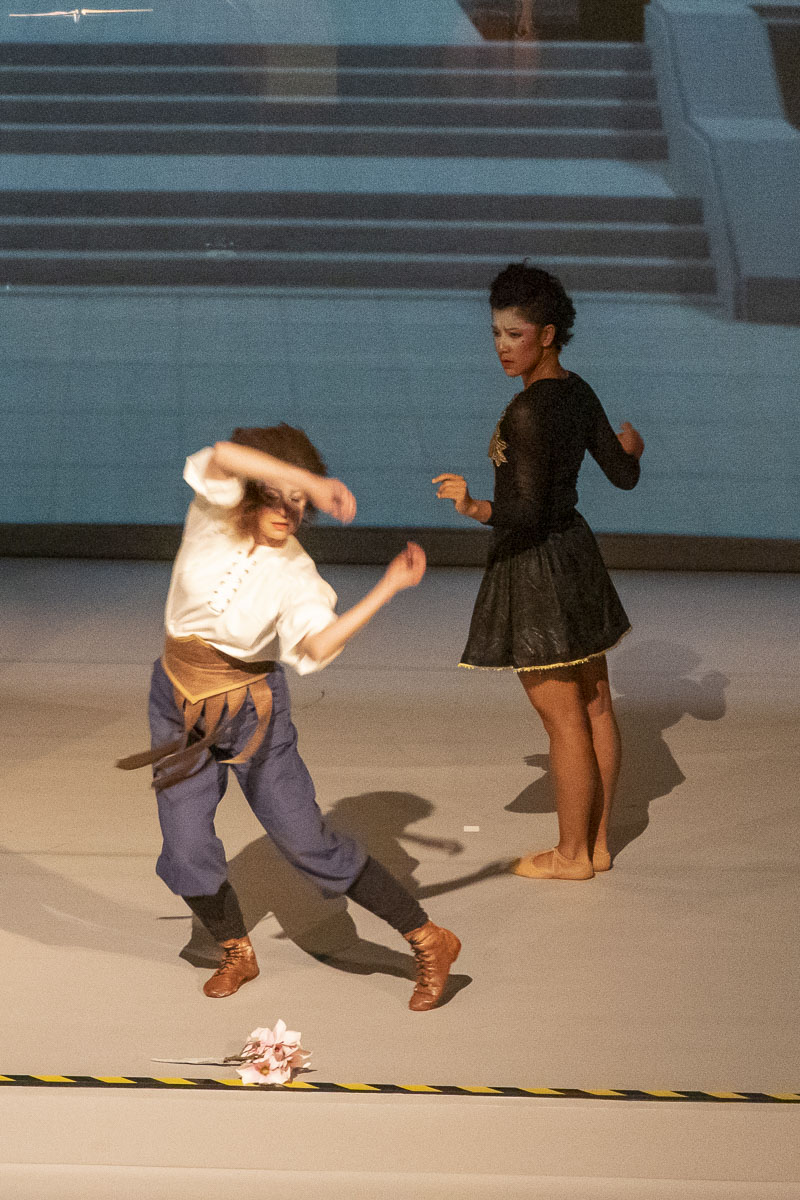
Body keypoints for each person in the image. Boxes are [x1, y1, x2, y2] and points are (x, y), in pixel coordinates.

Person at [118, 424, 460, 1007]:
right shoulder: (212, 513)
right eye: (276, 495)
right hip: (177, 701)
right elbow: (224, 455)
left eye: (299, 503)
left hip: (253, 715)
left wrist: (387, 587)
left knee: (305, 842)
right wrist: (310, 481)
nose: (288, 510)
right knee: (185, 845)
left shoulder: (297, 573)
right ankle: (235, 948)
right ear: (253, 491)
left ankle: (430, 939)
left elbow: (317, 645)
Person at [433, 264, 644, 880]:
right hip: (575, 557)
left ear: (547, 335)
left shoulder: (528, 410)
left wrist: (474, 507)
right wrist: (633, 448)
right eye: (496, 334)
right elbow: (623, 474)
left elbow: (524, 512)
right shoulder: (577, 390)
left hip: (536, 569)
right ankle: (597, 845)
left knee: (565, 718)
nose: (502, 347)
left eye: (515, 334)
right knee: (595, 706)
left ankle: (571, 855)